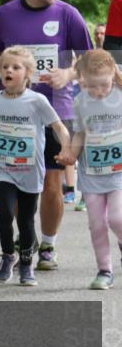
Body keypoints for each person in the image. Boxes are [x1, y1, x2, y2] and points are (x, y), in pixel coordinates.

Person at [0, 0, 92, 271]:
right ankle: (27, 237)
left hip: (55, 110)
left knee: (51, 184)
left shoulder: (68, 15)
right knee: (18, 184)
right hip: (15, 114)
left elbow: (89, 59)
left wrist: (68, 74)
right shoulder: (4, 15)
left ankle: (48, 244)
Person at [0, 46, 71, 286]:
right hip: (4, 167)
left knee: (26, 221)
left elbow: (59, 127)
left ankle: (26, 264)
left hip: (30, 170)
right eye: (5, 67)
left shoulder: (37, 101)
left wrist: (66, 149)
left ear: (27, 74)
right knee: (4, 214)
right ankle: (7, 255)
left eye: (15, 67)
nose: (8, 71)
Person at [57, 49, 122, 290]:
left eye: (103, 85)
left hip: (118, 172)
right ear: (82, 80)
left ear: (113, 74)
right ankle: (105, 270)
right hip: (92, 173)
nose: (98, 92)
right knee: (96, 224)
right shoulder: (80, 102)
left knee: (117, 218)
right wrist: (70, 154)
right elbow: (80, 134)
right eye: (92, 86)